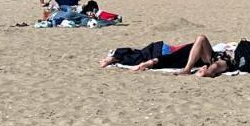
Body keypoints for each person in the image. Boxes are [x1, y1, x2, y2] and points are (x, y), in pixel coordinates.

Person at [98, 35, 233, 77]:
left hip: (164, 50)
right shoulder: (215, 59)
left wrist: (204, 71)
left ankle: (114, 56)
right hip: (165, 51)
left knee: (138, 55)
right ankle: (114, 57)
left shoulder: (218, 61)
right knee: (138, 55)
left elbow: (214, 67)